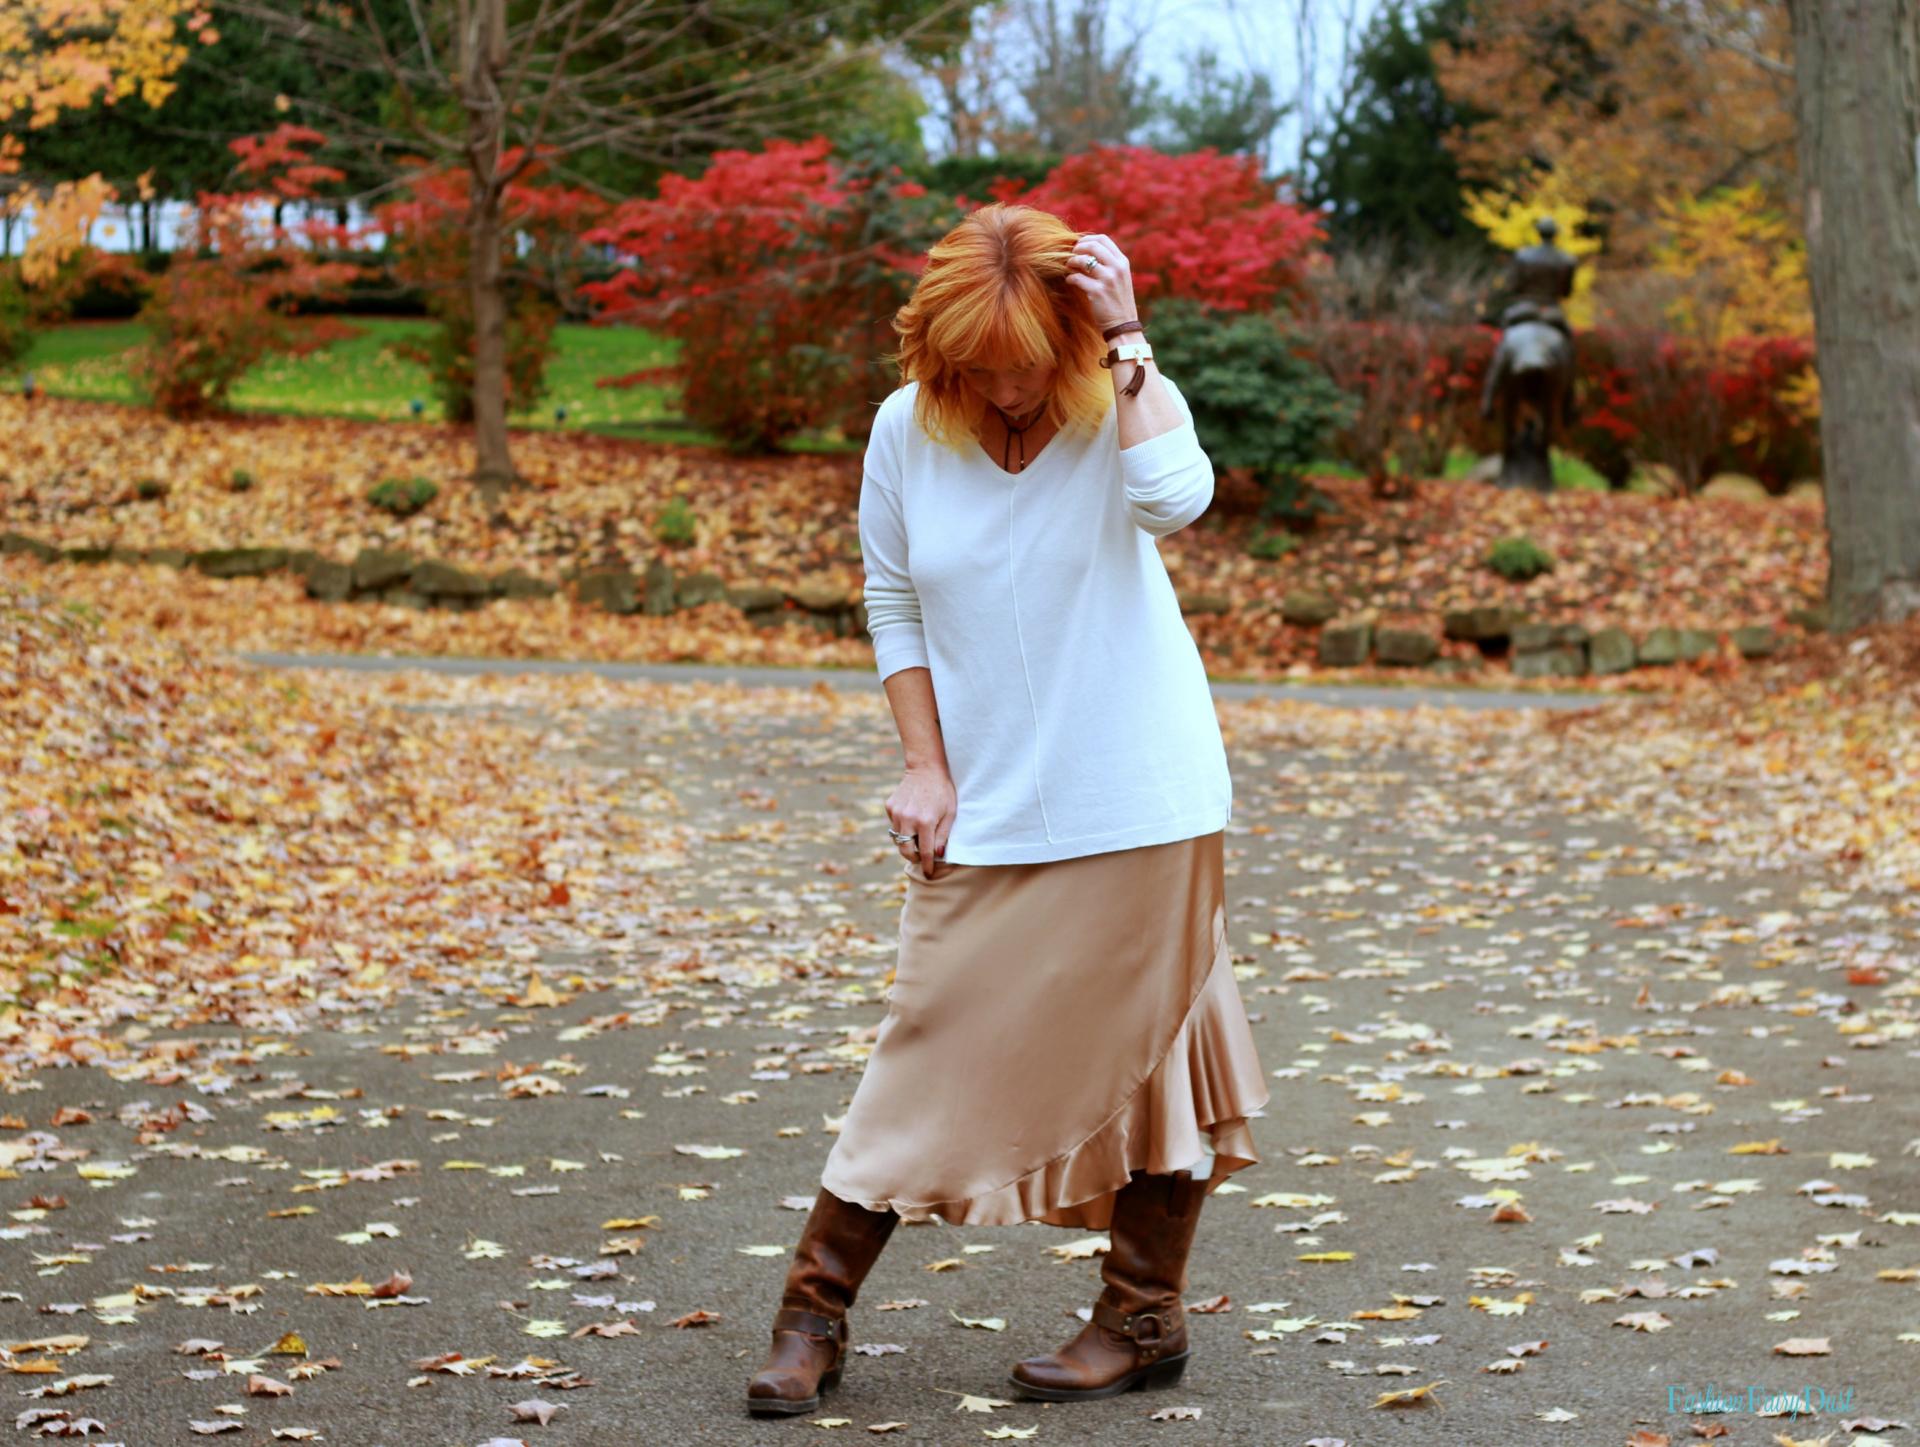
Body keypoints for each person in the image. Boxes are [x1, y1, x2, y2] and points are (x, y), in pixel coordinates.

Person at [745, 202, 1271, 1418]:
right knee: (926, 1037)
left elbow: (1175, 500)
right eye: (981, 374)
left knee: (1161, 1064)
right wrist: (925, 765)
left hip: (1141, 797)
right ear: (941, 358)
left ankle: (1141, 1316)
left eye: (1032, 371)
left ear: (1077, 342)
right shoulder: (905, 430)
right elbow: (893, 602)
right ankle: (810, 1316)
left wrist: (1131, 338)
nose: (1011, 398)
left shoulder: (1120, 401)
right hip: (984, 801)